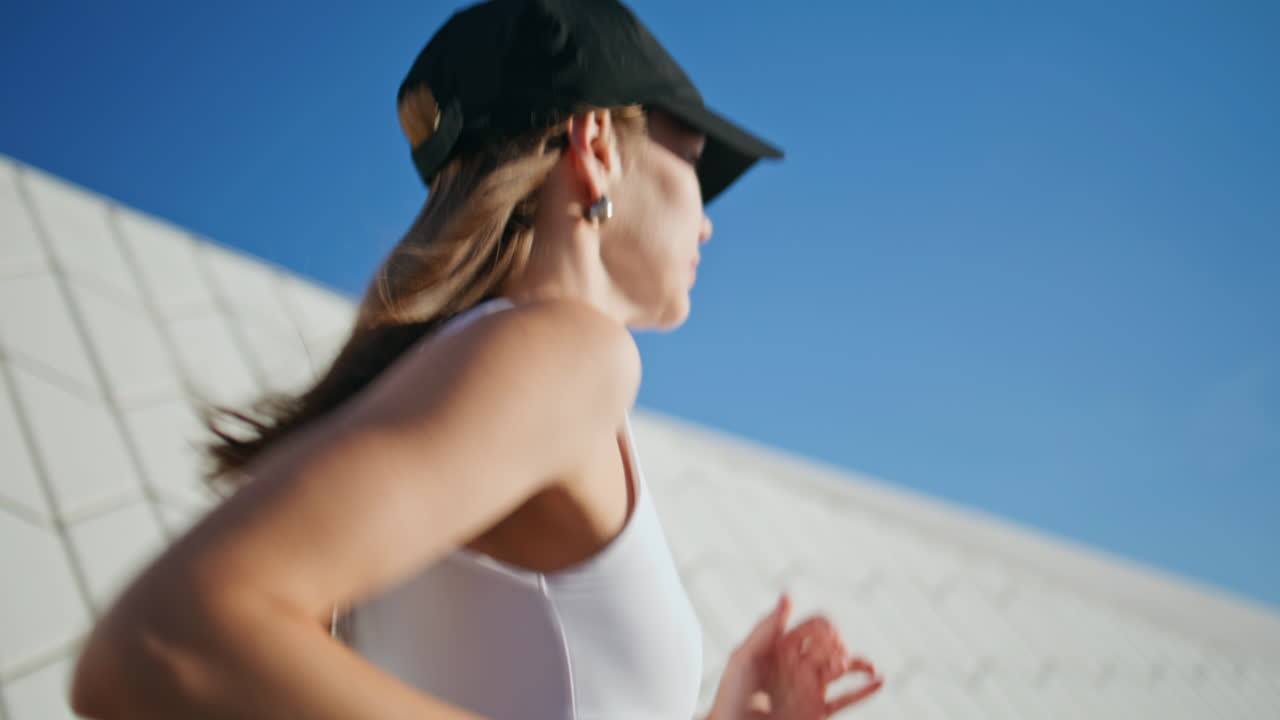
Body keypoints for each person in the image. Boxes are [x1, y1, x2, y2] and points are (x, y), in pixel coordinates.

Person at [69, 0, 883, 717]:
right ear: (595, 142)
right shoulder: (574, 354)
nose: (708, 222)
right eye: (697, 163)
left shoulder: (460, 371)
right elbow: (168, 637)